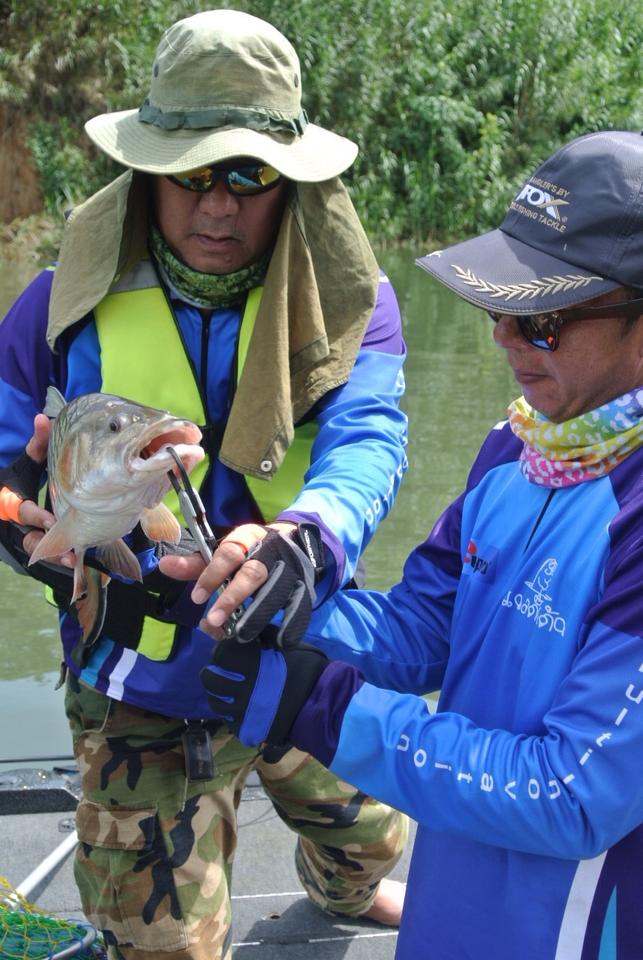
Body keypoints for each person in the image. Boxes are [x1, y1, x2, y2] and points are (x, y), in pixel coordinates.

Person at [0, 10, 410, 959]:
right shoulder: (56, 304)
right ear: (146, 173)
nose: (216, 206)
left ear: (290, 184)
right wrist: (23, 510)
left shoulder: (358, 306)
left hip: (295, 638)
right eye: (190, 175)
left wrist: (309, 537)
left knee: (381, 838)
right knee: (163, 951)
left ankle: (340, 881)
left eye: (248, 177)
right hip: (140, 674)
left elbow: (370, 440)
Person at [199, 129, 643, 959]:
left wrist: (321, 708)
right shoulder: (517, 448)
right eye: (498, 309)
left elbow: (573, 793)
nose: (505, 341)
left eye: (540, 320)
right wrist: (277, 588)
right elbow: (421, 632)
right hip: (450, 919)